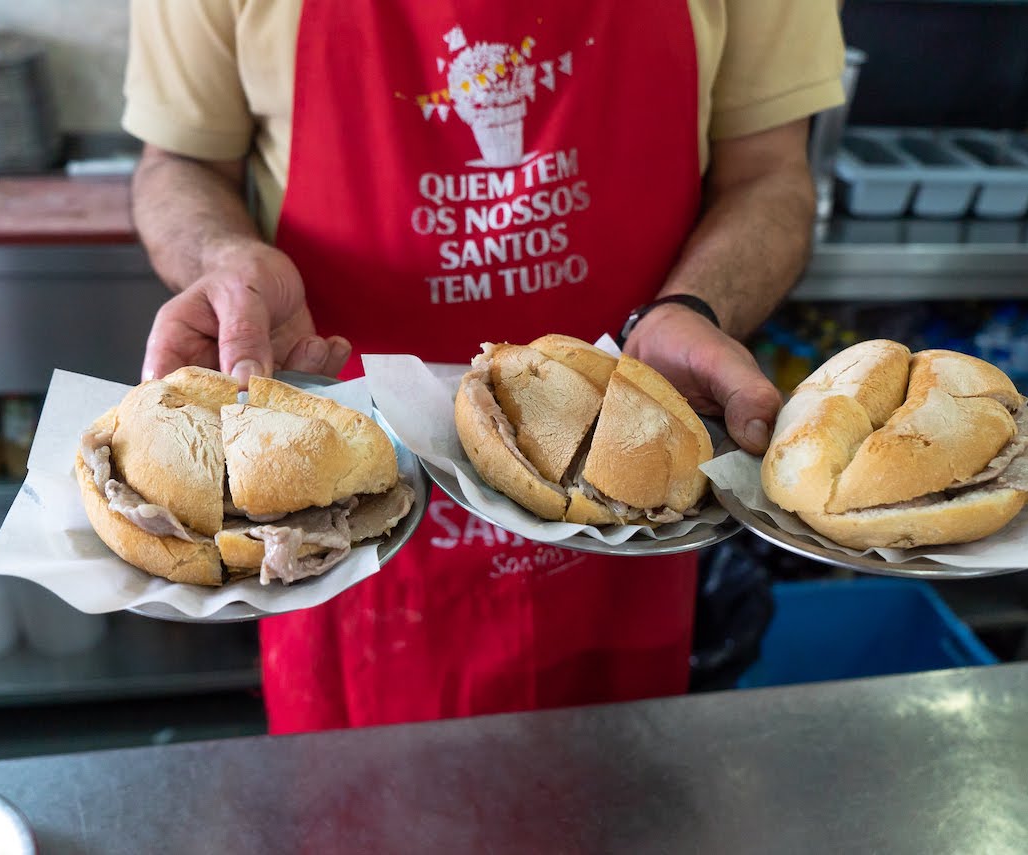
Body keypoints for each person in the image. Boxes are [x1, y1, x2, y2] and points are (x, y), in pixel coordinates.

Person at [123, 0, 846, 733]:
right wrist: (221, 257)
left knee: (615, 800)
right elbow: (180, 163)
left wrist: (697, 306)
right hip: (334, 503)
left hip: (629, 488)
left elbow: (769, 174)